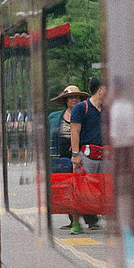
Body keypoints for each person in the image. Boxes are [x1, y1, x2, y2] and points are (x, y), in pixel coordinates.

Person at [68, 77, 107, 233]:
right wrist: (75, 154)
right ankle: (76, 223)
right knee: (79, 188)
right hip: (85, 155)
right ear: (100, 90)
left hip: (104, 155)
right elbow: (74, 131)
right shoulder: (80, 108)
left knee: (106, 188)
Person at [48, 84, 89, 229]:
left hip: (81, 153)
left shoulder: (86, 115)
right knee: (67, 188)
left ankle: (91, 219)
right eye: (70, 97)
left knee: (84, 186)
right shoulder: (54, 118)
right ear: (65, 100)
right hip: (62, 156)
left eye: (76, 97)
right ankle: (73, 219)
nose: (74, 100)